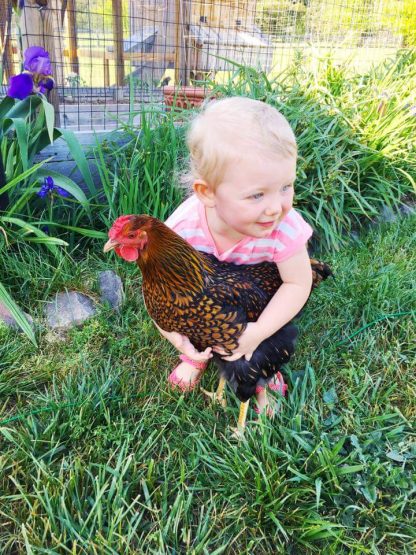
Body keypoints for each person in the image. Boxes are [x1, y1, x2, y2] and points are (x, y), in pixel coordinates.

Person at [157, 96, 313, 415]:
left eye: (286, 187)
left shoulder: (284, 227)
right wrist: (179, 340)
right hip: (208, 303)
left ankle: (265, 370)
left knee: (265, 334)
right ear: (208, 193)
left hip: (259, 306)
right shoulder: (182, 233)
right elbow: (161, 296)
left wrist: (257, 333)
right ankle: (194, 355)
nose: (275, 206)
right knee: (190, 307)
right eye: (257, 195)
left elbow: (297, 283)